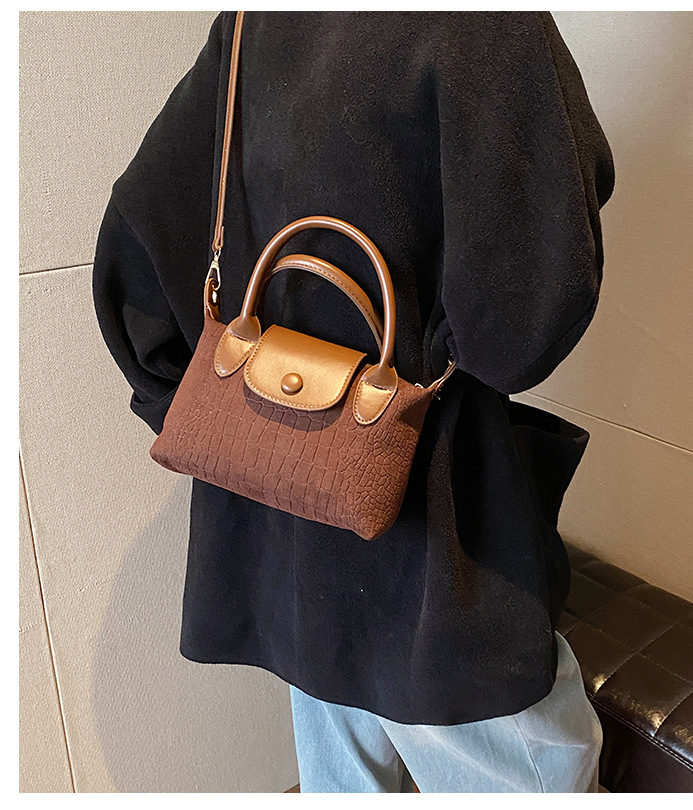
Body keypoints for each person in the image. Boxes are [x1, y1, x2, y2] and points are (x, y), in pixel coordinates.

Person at [93, 11, 615, 793]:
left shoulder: (253, 21)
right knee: (536, 770)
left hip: (287, 521)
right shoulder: (485, 26)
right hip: (432, 529)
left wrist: (206, 408)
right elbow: (522, 320)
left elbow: (138, 245)